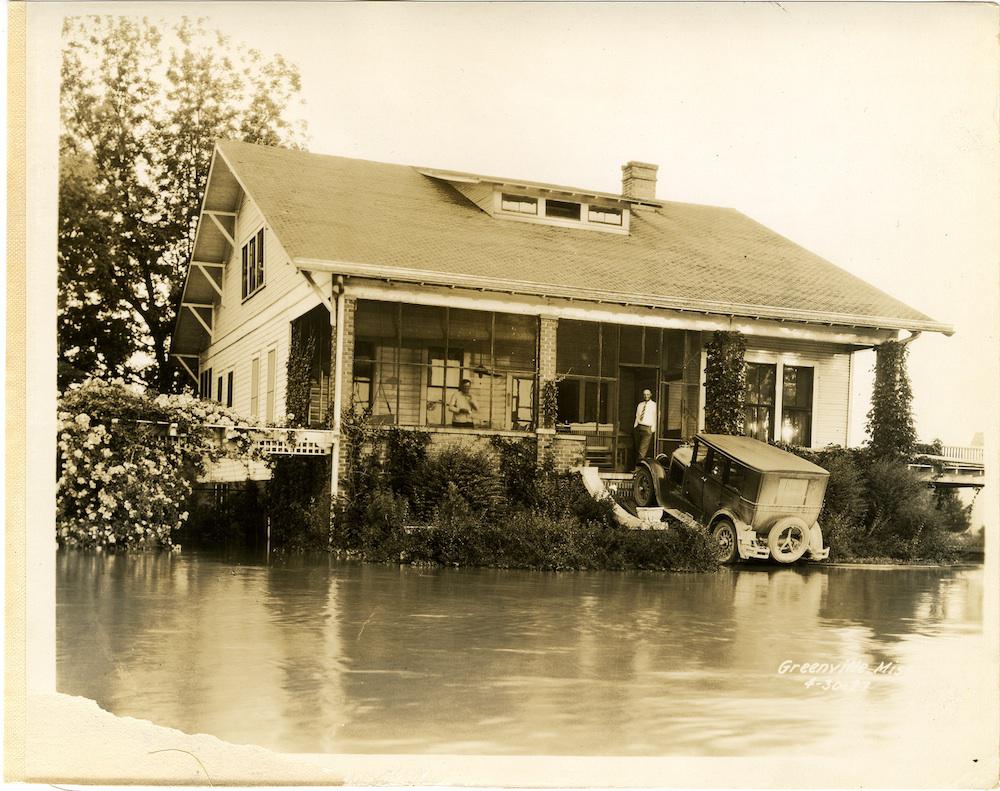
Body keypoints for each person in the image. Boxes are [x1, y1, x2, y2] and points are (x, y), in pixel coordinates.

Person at [633, 388, 657, 463]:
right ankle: (638, 466)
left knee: (642, 449)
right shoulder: (640, 405)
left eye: (648, 394)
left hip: (647, 428)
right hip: (639, 427)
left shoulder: (654, 405)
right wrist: (635, 426)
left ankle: (639, 468)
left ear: (650, 395)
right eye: (645, 394)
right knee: (637, 448)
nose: (646, 396)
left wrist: (652, 429)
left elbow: (656, 417)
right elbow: (637, 415)